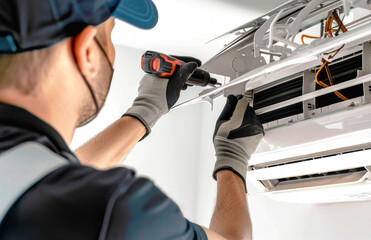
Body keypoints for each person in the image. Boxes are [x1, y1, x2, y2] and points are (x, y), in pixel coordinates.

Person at [0, 0, 263, 239]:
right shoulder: (115, 210)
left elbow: (41, 177)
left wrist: (144, 112)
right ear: (88, 50)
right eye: (109, 34)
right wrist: (232, 158)